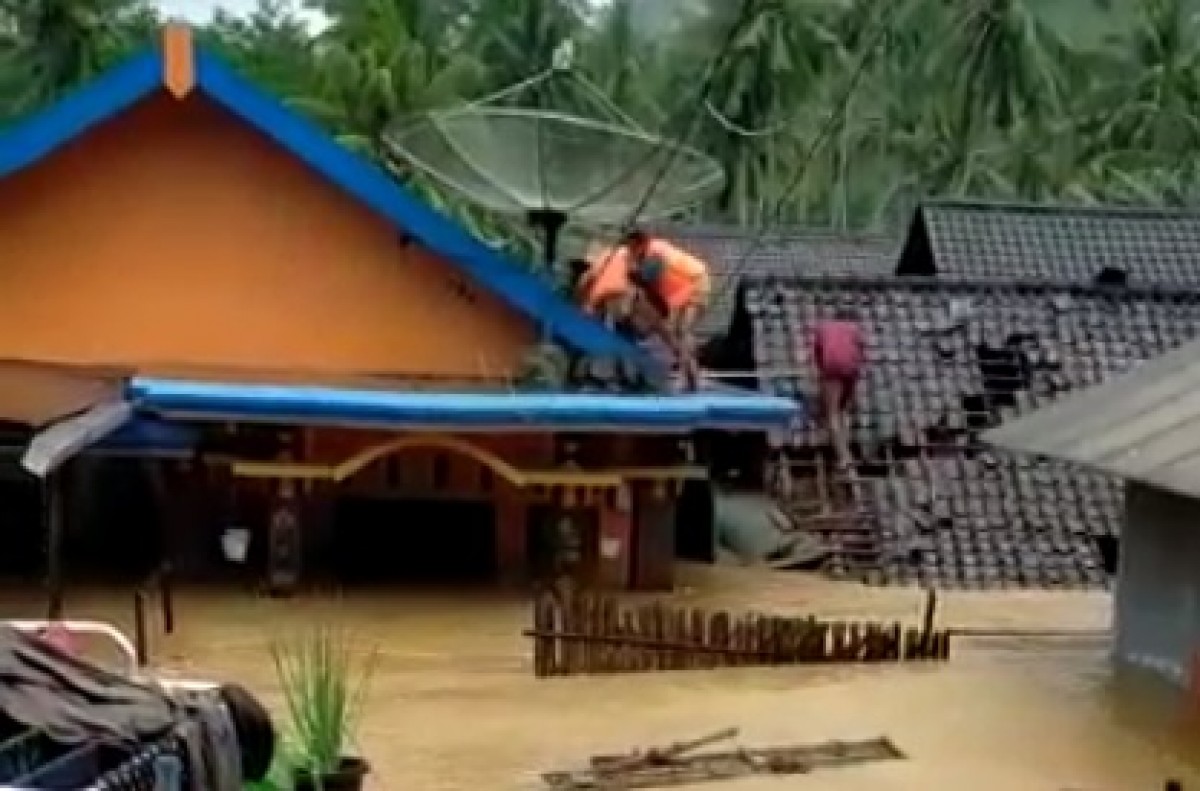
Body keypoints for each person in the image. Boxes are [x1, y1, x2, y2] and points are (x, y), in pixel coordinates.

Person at [621, 230, 711, 390]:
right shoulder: (648, 255)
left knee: (684, 330)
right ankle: (691, 375)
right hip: (683, 289)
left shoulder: (655, 252)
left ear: (640, 244)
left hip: (696, 283)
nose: (630, 252)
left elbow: (646, 279)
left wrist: (628, 272)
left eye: (631, 248)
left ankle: (690, 376)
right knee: (675, 333)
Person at [811, 306, 865, 472]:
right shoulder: (856, 329)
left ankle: (843, 457)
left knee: (832, 414)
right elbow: (861, 352)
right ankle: (847, 450)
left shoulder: (823, 328)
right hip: (851, 370)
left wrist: (822, 375)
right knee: (844, 411)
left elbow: (818, 355)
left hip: (832, 370)